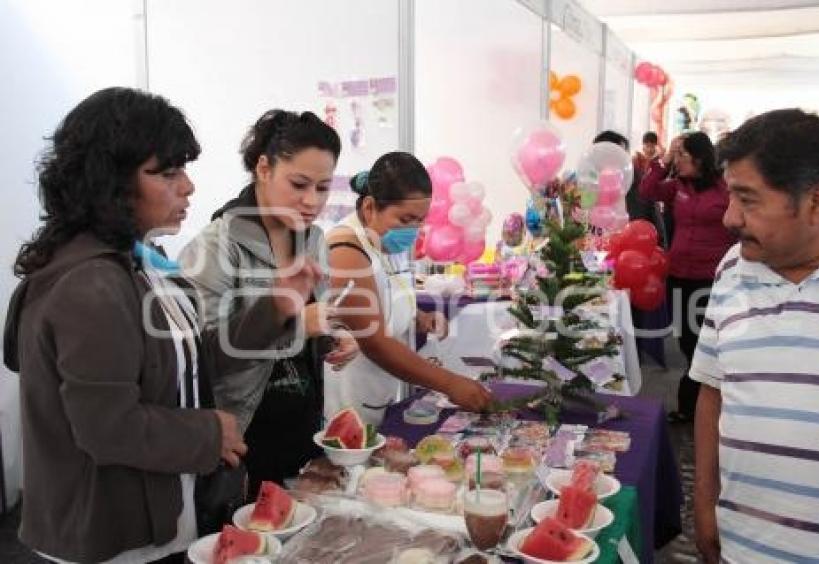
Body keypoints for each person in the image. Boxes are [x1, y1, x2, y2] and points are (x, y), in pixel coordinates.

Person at [3, 88, 321, 563]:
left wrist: (274, 308)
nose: (188, 187)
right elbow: (107, 428)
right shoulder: (89, 285)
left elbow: (194, 363)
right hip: (110, 537)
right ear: (108, 181)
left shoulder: (143, 264)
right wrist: (211, 433)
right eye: (167, 173)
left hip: (162, 514)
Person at [691, 109, 819, 563]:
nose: (729, 218)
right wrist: (704, 503)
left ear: (817, 201)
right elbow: (712, 392)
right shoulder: (732, 268)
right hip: (743, 547)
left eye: (748, 199)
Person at [179, 109, 358, 498]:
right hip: (242, 436)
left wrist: (331, 336)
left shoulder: (312, 240)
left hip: (303, 428)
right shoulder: (215, 247)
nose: (312, 201)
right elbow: (201, 360)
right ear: (263, 168)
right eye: (299, 184)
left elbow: (306, 326)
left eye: (324, 188)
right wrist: (296, 325)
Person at [324, 152, 492, 425]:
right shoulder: (346, 250)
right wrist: (450, 383)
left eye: (420, 220)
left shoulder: (390, 239)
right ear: (369, 208)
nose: (413, 230)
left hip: (384, 392)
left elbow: (391, 291)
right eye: (405, 219)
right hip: (351, 400)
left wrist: (418, 318)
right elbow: (375, 342)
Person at [639, 131, 736, 423]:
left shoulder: (725, 189)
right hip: (679, 274)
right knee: (685, 340)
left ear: (700, 157)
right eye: (677, 156)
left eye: (683, 155)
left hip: (711, 277)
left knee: (702, 341)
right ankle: (697, 403)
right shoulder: (678, 186)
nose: (678, 161)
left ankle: (694, 404)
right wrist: (663, 160)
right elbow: (647, 190)